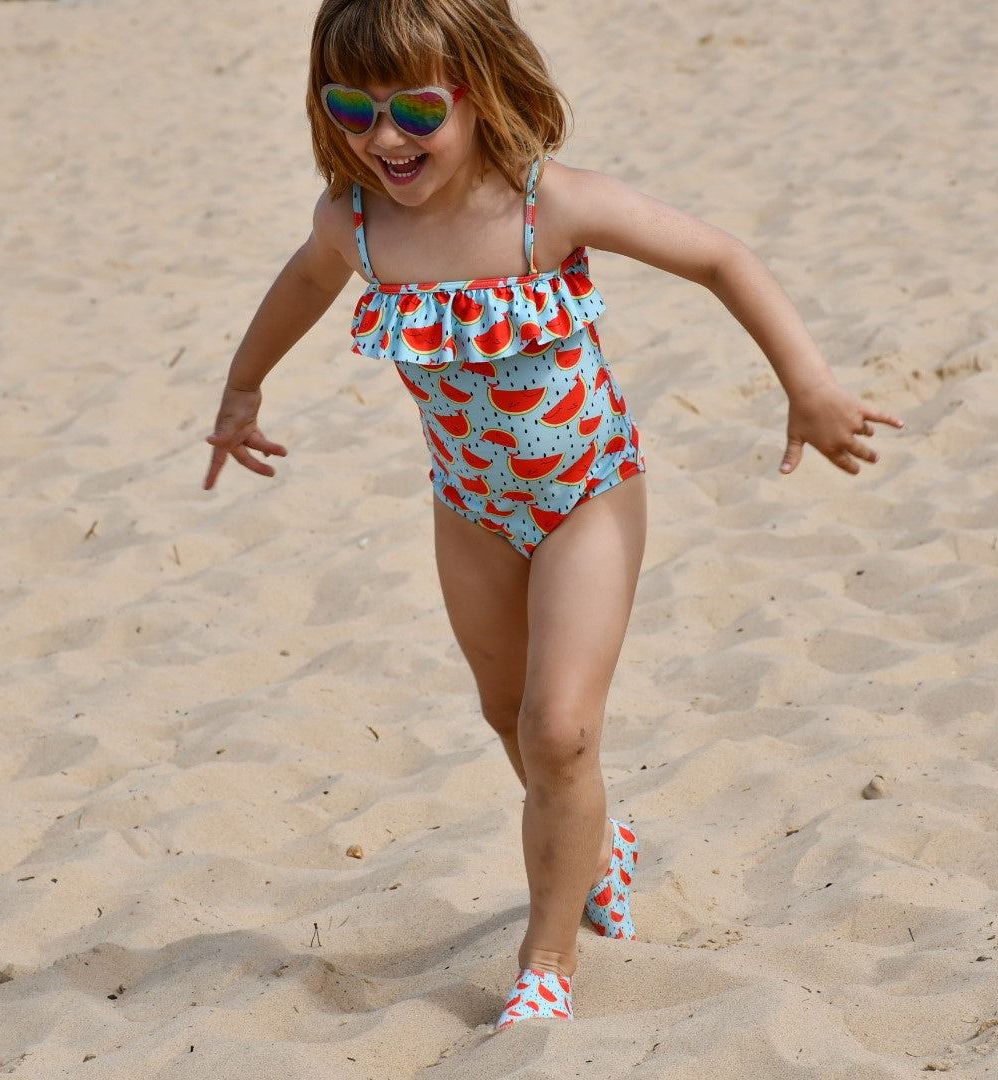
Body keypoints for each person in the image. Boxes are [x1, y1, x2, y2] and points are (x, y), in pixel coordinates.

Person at [203, 0, 903, 1030]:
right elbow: (304, 284)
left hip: (587, 496)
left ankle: (547, 961)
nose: (382, 138)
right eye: (351, 106)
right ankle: (599, 841)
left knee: (560, 730)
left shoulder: (545, 207)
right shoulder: (354, 222)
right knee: (507, 719)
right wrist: (242, 390)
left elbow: (719, 256)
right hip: (470, 507)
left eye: (416, 111)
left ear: (478, 91)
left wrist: (808, 382)